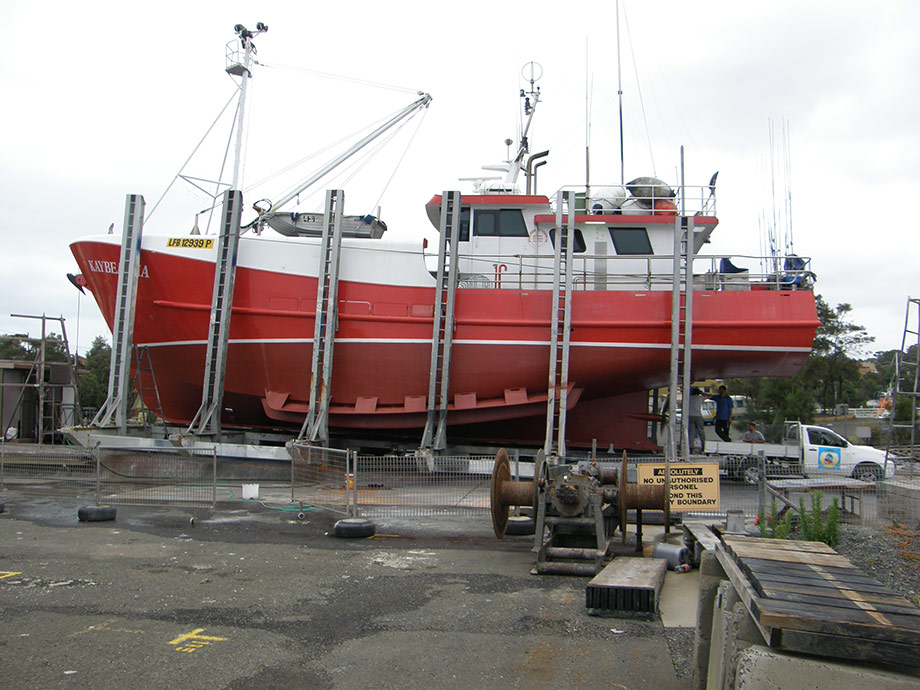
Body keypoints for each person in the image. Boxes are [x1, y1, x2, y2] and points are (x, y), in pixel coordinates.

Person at [687, 387, 706, 452]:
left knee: (691, 433)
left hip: (690, 416)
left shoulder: (689, 398)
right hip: (698, 416)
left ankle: (690, 447)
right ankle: (704, 445)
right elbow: (709, 396)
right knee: (701, 431)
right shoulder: (700, 398)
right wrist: (702, 393)